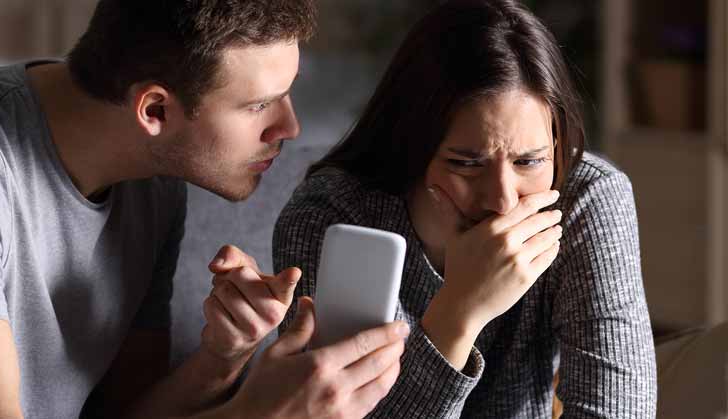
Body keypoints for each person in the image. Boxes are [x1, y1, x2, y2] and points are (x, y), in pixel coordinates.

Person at [0, 1, 409, 418]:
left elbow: (123, 412)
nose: (290, 127)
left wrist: (223, 356)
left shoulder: (153, 177)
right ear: (154, 110)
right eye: (260, 105)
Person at [273, 0, 657, 417]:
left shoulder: (585, 199)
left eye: (529, 161)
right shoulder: (332, 215)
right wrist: (459, 312)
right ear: (410, 148)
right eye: (466, 164)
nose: (503, 200)